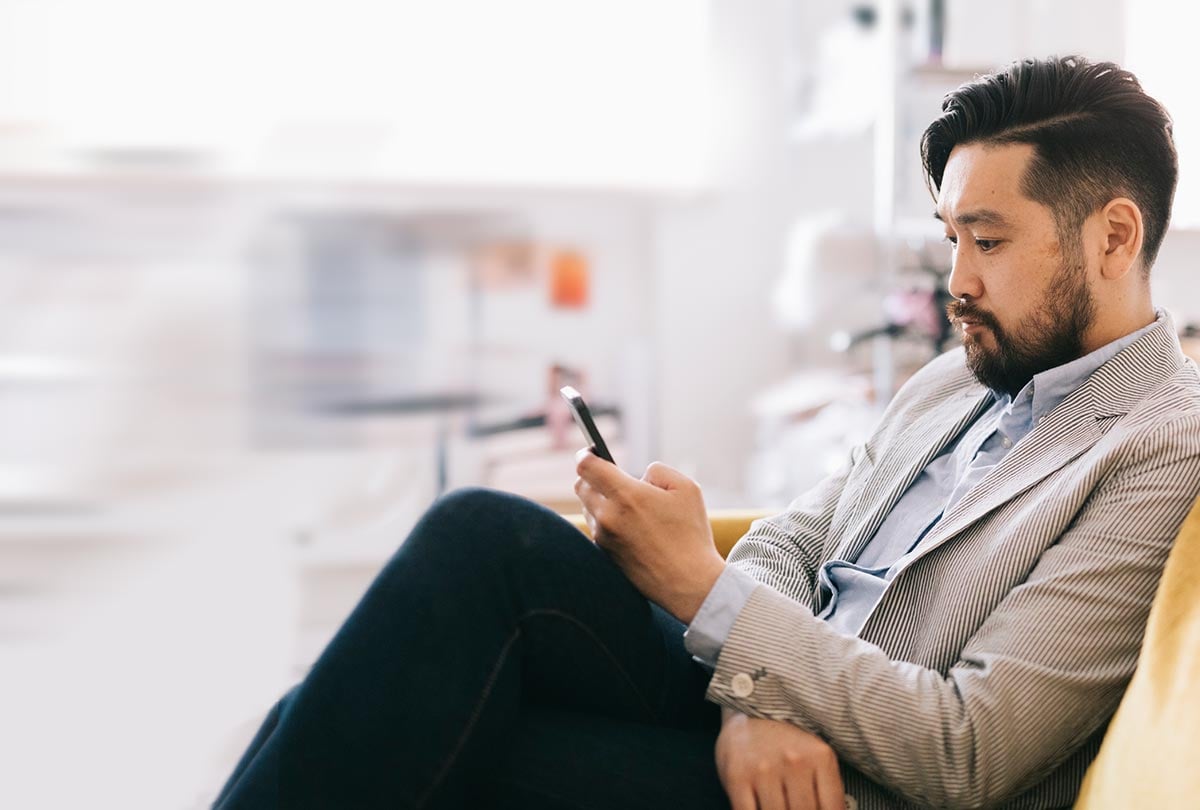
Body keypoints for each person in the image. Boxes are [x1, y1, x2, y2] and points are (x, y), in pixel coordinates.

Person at [213, 56, 1200, 810]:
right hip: (776, 705)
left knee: (398, 728)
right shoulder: (959, 376)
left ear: (1113, 237)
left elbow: (970, 746)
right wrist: (754, 698)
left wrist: (700, 588)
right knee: (478, 544)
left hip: (859, 785)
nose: (957, 284)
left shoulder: (1160, 445)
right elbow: (790, 539)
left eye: (988, 241)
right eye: (951, 240)